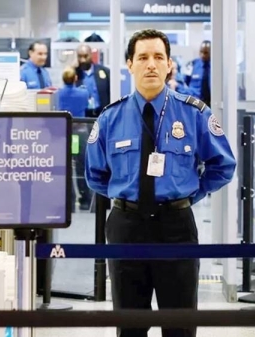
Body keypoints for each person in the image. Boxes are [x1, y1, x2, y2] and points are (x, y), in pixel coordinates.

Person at [85, 29, 236, 337]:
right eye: (143, 57)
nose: (151, 64)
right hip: (126, 226)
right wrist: (128, 197)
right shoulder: (110, 118)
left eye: (158, 57)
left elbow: (223, 165)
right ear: (129, 64)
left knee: (179, 324)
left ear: (170, 65)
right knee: (129, 326)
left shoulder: (194, 113)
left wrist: (189, 195)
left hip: (176, 226)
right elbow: (95, 174)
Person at [58, 66, 91, 211]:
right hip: (80, 132)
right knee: (81, 166)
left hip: (64, 133)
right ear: (75, 78)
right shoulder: (83, 93)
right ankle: (85, 200)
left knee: (65, 168)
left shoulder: (58, 94)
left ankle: (69, 201)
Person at [74, 44, 111, 117]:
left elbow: (109, 94)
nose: (82, 60)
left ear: (91, 55)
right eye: (80, 56)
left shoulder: (104, 71)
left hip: (101, 115)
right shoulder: (74, 74)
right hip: (82, 117)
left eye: (85, 56)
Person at [183, 40, 211, 106]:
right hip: (195, 102)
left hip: (211, 103)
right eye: (201, 52)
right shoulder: (191, 64)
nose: (203, 55)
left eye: (206, 53)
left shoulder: (216, 67)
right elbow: (185, 81)